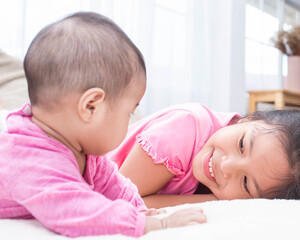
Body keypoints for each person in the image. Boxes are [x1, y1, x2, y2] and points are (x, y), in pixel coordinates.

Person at [0, 12, 206, 238]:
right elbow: (76, 212)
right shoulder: (32, 159)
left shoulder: (84, 151)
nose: (130, 119)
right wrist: (157, 226)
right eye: (129, 112)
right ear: (91, 106)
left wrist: (139, 210)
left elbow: (113, 185)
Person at [107, 103, 300, 208]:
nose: (226, 166)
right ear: (250, 118)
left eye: (247, 183)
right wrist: (215, 201)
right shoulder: (183, 129)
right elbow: (119, 202)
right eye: (241, 145)